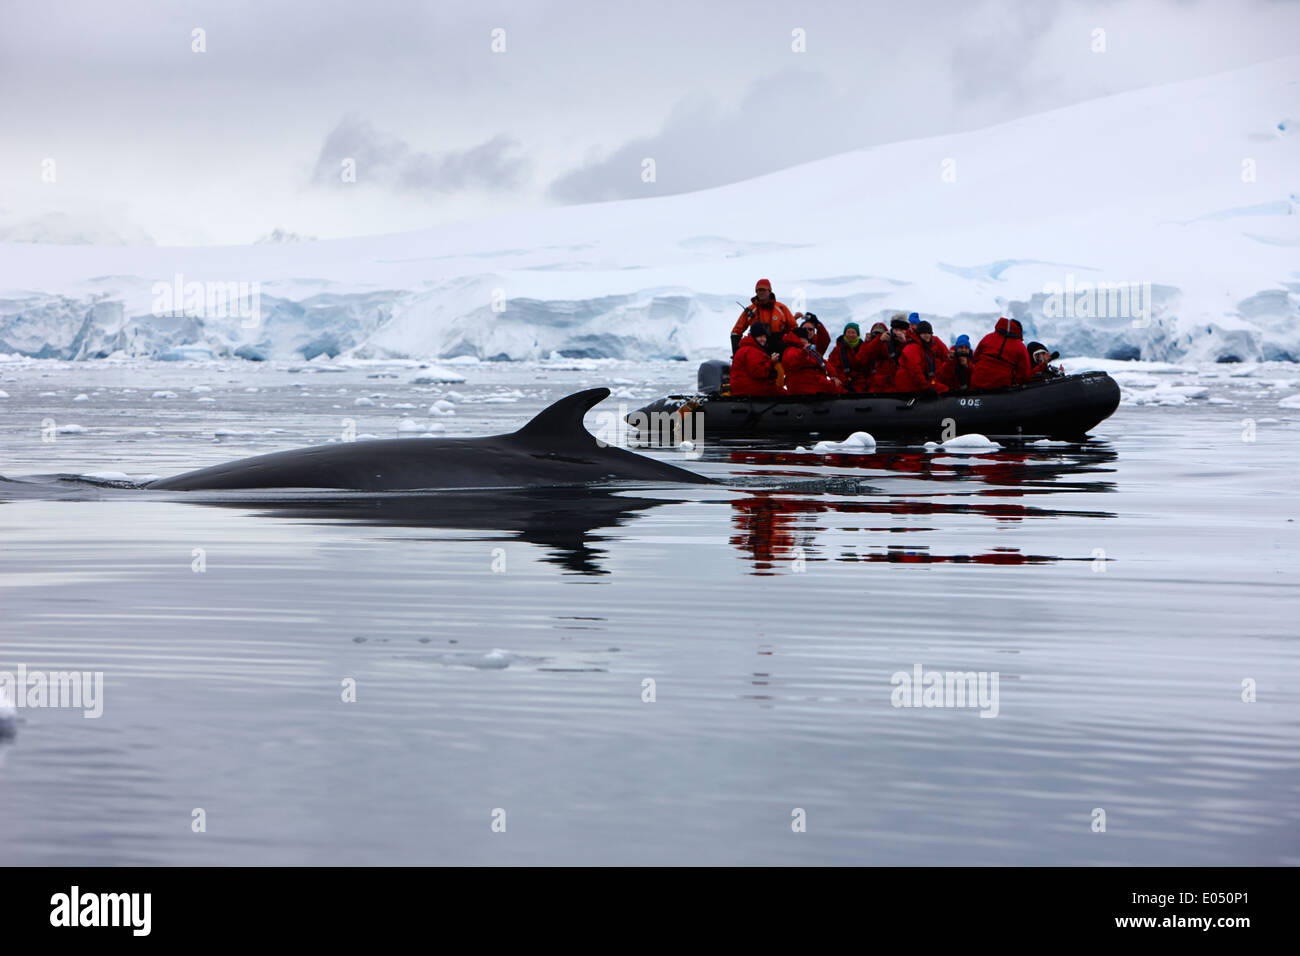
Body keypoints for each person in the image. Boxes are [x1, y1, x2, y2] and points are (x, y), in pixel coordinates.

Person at [731, 279, 796, 354]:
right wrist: (736, 353)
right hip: (757, 350)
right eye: (758, 290)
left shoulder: (781, 308)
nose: (760, 292)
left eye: (763, 290)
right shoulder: (751, 310)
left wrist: (788, 346)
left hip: (779, 351)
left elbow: (793, 327)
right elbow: (736, 332)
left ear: (769, 291)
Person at [970, 317, 1031, 389]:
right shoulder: (1020, 346)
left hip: (977, 382)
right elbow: (1025, 374)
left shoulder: (988, 337)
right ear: (1019, 331)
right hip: (1002, 387)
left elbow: (975, 357)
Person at [781, 325, 842, 395]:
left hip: (816, 381)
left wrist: (834, 376)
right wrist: (804, 353)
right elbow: (793, 362)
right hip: (802, 383)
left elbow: (824, 363)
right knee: (835, 390)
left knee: (839, 388)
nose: (804, 340)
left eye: (805, 338)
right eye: (801, 338)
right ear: (795, 338)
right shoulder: (790, 350)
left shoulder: (812, 352)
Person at [729, 322, 783, 395]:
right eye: (760, 336)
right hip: (751, 388)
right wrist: (771, 362)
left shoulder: (750, 349)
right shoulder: (751, 350)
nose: (763, 339)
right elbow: (758, 372)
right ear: (754, 337)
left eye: (764, 337)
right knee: (785, 395)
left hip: (746, 387)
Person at [896, 320, 949, 393]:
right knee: (941, 390)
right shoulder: (913, 347)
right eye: (923, 333)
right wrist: (926, 386)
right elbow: (915, 370)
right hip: (909, 386)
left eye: (928, 333)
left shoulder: (927, 347)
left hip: (920, 383)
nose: (926, 335)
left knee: (944, 389)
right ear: (918, 334)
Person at [863, 316, 911, 392]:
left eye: (901, 330)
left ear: (906, 331)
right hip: (883, 385)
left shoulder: (911, 342)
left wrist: (904, 343)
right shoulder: (884, 340)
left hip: (903, 385)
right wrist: (879, 340)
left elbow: (912, 361)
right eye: (896, 330)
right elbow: (868, 355)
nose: (898, 332)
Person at [828, 322, 870, 392]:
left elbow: (864, 364)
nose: (850, 335)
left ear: (857, 335)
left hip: (860, 382)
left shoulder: (863, 347)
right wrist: (838, 378)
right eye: (848, 332)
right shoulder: (838, 349)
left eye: (853, 332)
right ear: (845, 333)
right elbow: (832, 366)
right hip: (843, 382)